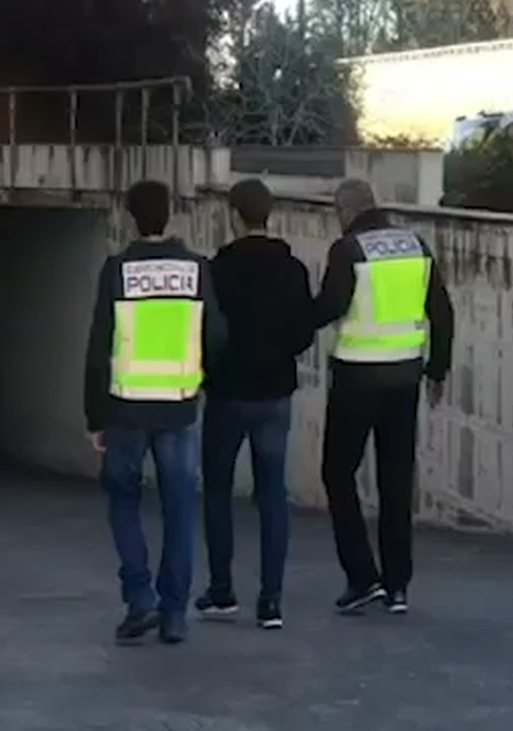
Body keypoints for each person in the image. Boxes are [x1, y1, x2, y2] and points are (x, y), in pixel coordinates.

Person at [83, 179, 227, 645]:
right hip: (179, 408)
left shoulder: (117, 270)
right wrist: (203, 379)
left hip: (125, 410)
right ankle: (174, 615)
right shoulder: (196, 269)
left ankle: (139, 598)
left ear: (131, 217)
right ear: (171, 214)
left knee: (123, 502)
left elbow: (98, 347)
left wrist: (94, 417)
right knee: (180, 510)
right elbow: (217, 336)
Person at [312, 178, 455, 615]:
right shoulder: (415, 245)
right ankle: (397, 586)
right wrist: (437, 370)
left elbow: (331, 306)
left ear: (345, 209)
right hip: (405, 377)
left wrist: (291, 322)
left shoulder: (349, 249)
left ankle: (361, 577)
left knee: (338, 474)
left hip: (357, 378)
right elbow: (442, 310)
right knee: (395, 480)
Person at [194, 179, 315, 630]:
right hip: (276, 393)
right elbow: (304, 332)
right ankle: (271, 601)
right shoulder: (293, 269)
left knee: (219, 492)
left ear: (233, 215)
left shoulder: (217, 269)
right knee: (272, 495)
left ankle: (222, 590)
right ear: (271, 214)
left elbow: (206, 329)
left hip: (227, 393)